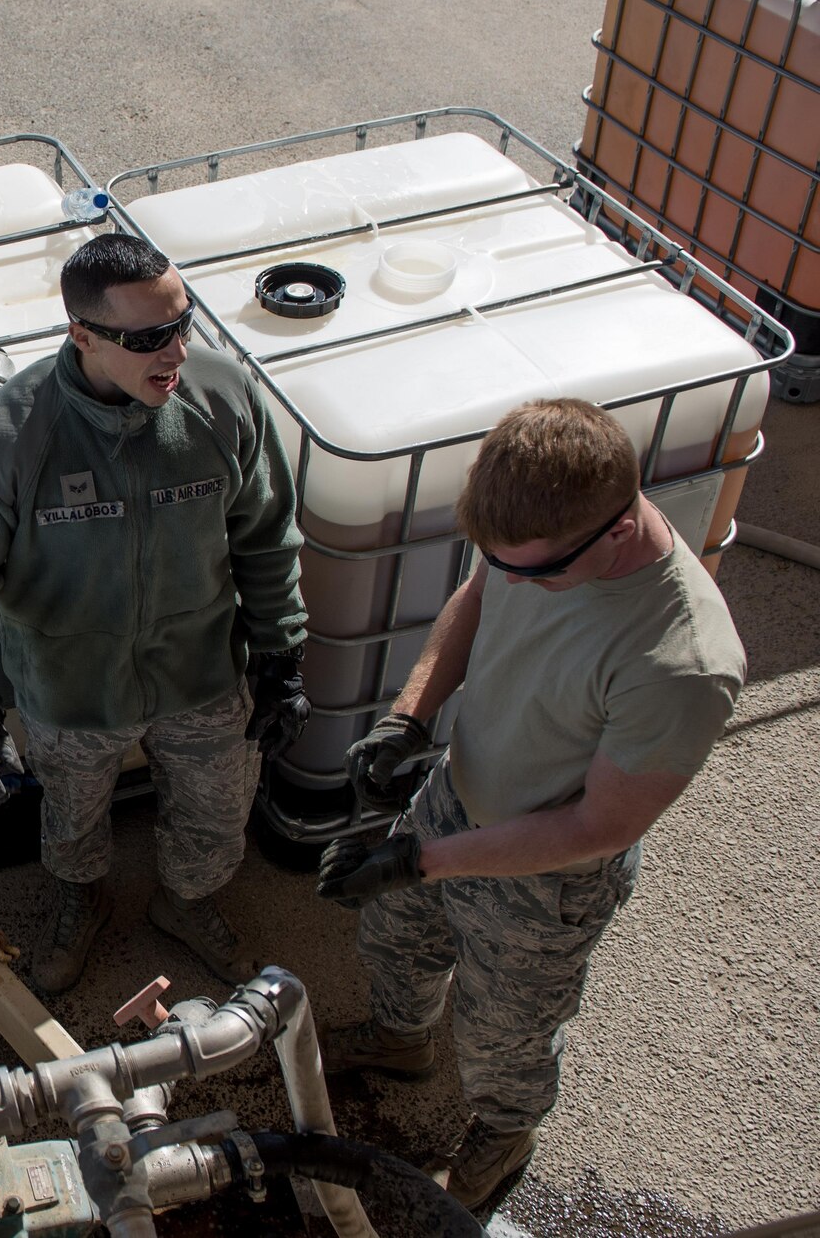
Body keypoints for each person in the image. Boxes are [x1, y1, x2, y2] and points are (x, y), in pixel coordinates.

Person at [316, 398, 745, 1217]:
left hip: (550, 875)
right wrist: (408, 715)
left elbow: (599, 826)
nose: (516, 579)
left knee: (503, 1029)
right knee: (396, 936)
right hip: (460, 787)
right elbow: (480, 595)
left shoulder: (680, 661)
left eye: (535, 571)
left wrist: (417, 859)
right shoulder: (539, 538)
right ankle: (402, 1041)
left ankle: (505, 1131)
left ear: (619, 529)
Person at [0, 232, 310, 995]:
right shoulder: (5, 442)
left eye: (184, 323)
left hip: (204, 676)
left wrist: (283, 655)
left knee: (218, 815)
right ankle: (78, 901)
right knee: (72, 819)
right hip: (70, 691)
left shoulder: (224, 399)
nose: (177, 352)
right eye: (149, 338)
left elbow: (266, 531)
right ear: (81, 334)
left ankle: (187, 904)